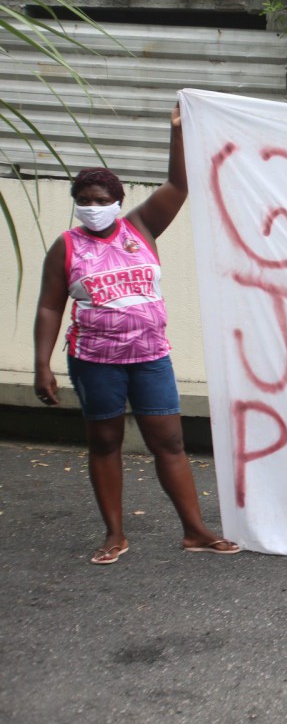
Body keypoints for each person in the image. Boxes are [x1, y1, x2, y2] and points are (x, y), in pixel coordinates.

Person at [32, 104, 240, 565]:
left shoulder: (141, 228)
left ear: (119, 201)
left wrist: (178, 135)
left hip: (150, 357)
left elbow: (179, 185)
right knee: (104, 443)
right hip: (95, 361)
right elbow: (50, 305)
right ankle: (114, 535)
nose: (93, 207)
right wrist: (41, 364)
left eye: (102, 199)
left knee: (168, 442)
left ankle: (196, 531)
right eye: (85, 199)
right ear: (76, 202)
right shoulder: (66, 246)